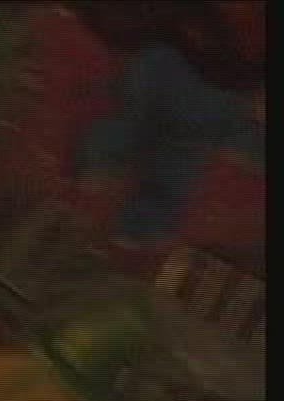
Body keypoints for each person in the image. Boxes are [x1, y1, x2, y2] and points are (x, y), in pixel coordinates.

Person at [69, 1, 264, 260]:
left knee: (164, 143)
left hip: (193, 71)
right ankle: (109, 177)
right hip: (189, 67)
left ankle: (116, 188)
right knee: (161, 141)